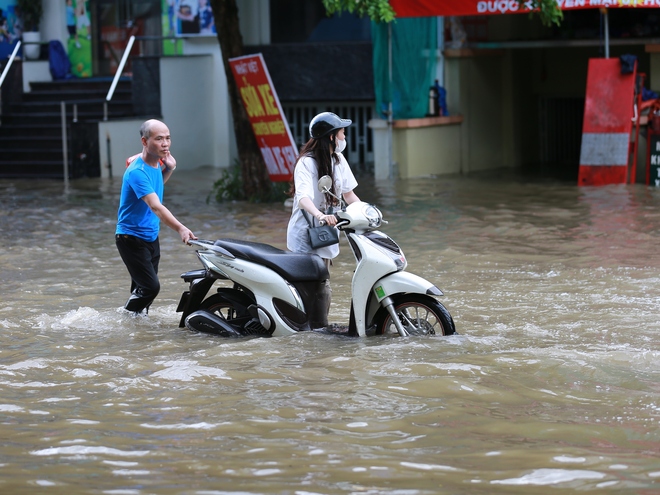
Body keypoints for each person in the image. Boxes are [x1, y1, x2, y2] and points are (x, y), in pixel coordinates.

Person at [286, 112, 361, 329]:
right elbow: (303, 198)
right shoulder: (306, 163)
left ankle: (316, 329)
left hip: (325, 235)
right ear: (331, 137)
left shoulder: (338, 160)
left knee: (322, 287)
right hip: (306, 236)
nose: (344, 137)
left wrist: (366, 213)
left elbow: (349, 195)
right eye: (342, 133)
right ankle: (307, 332)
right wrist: (319, 215)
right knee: (313, 291)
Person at [115, 119, 197, 314]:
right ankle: (123, 320)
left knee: (142, 291)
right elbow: (156, 207)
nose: (165, 144)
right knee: (151, 288)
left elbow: (156, 186)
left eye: (168, 138)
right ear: (145, 142)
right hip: (131, 238)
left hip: (150, 236)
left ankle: (136, 330)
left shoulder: (156, 163)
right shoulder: (137, 171)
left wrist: (169, 168)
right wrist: (181, 228)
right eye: (159, 139)